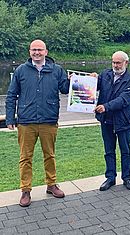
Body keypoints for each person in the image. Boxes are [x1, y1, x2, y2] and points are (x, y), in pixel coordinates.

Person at [6, 39, 69, 207]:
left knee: (50, 155)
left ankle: (51, 184)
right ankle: (25, 190)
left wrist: (81, 80)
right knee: (25, 157)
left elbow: (66, 89)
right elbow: (11, 95)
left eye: (40, 50)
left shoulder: (56, 70)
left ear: (46, 52)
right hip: (26, 121)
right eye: (34, 50)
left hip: (49, 120)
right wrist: (10, 118)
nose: (37, 52)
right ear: (29, 52)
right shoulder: (21, 71)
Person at [95, 51, 130, 191]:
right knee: (109, 150)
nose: (115, 65)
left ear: (126, 62)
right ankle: (110, 177)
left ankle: (127, 177)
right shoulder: (105, 74)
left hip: (123, 120)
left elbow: (123, 100)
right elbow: (93, 86)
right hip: (106, 119)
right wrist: (89, 79)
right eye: (113, 62)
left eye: (118, 62)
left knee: (125, 150)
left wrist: (105, 107)